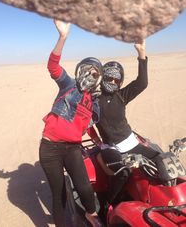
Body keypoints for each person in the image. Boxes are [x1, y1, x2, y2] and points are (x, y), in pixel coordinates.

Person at [39, 19, 103, 227]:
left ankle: (90, 215)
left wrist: (103, 143)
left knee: (84, 187)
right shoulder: (68, 84)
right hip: (50, 148)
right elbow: (52, 65)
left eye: (96, 74)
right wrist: (62, 37)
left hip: (72, 148)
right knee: (58, 196)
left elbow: (91, 126)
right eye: (88, 70)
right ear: (81, 70)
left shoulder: (94, 102)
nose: (90, 75)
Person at [89, 39, 162, 205]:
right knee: (124, 172)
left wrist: (141, 53)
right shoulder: (94, 100)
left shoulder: (121, 96)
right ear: (103, 77)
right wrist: (98, 143)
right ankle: (108, 204)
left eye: (116, 80)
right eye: (109, 78)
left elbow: (142, 83)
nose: (113, 82)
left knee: (160, 159)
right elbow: (85, 122)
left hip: (131, 143)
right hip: (111, 148)